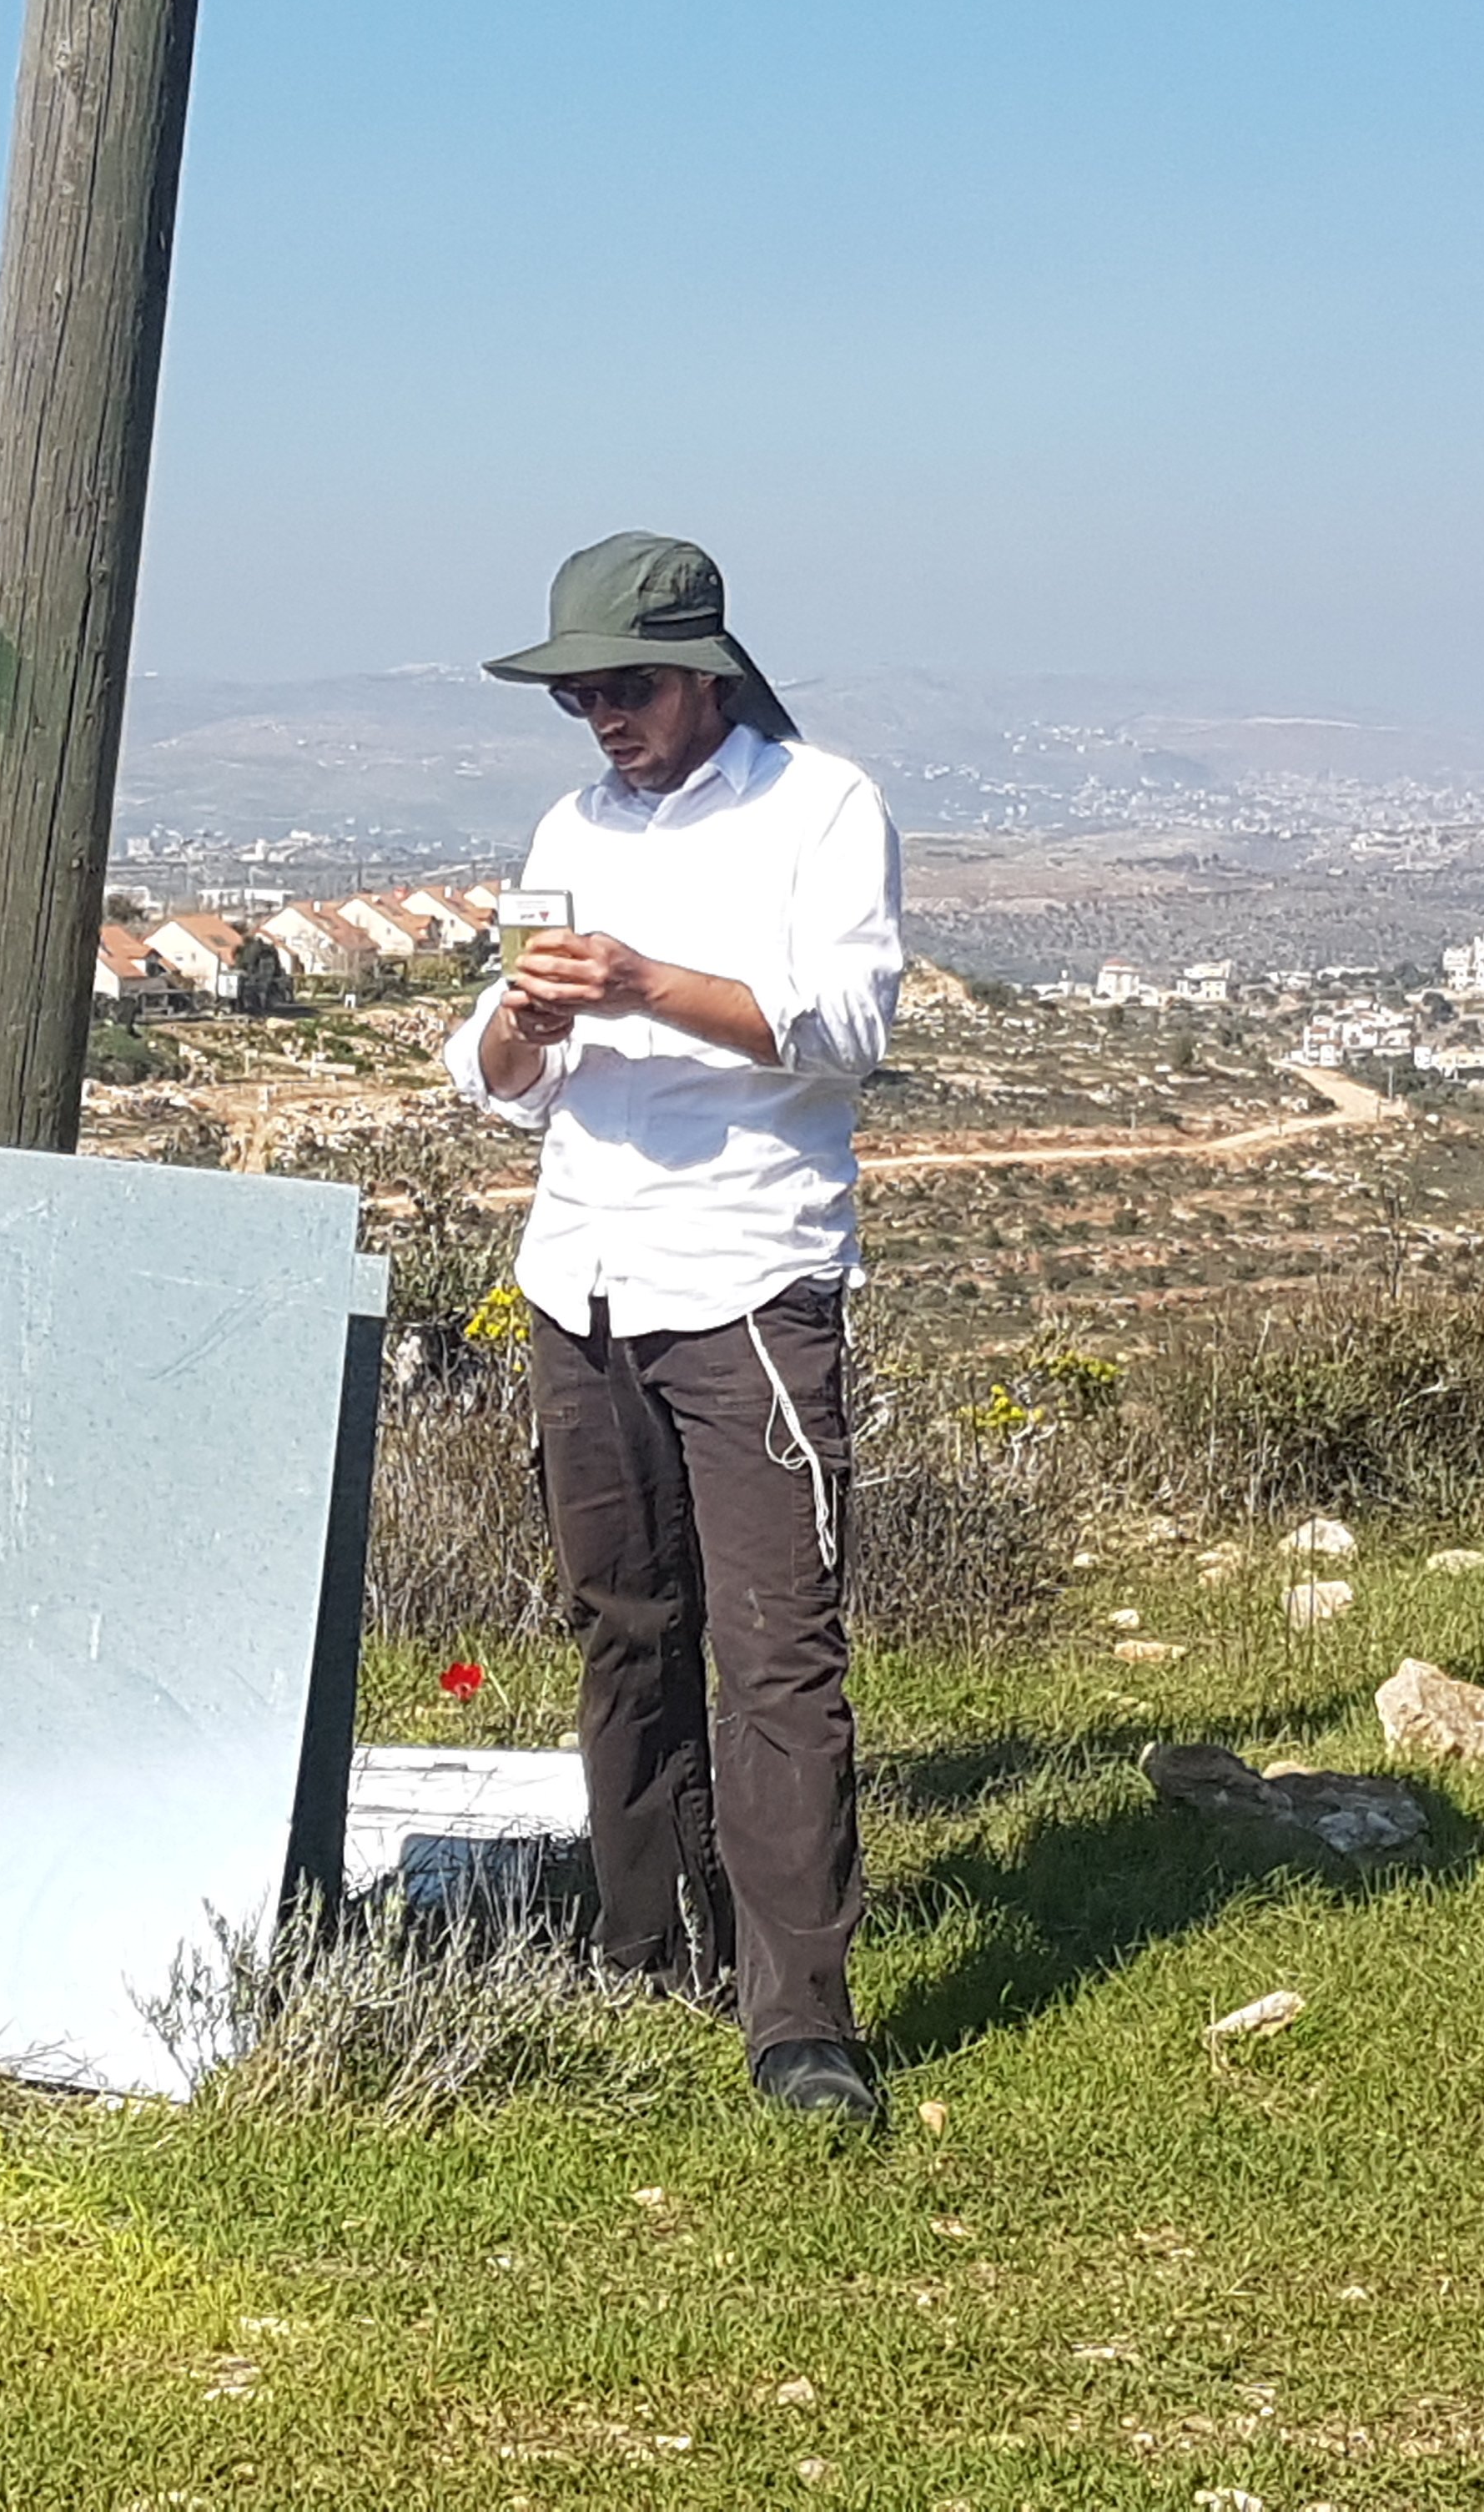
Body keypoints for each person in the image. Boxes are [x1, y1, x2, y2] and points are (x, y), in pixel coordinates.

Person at [440, 531, 904, 2121]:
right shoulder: (574, 822)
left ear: (700, 674)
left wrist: (645, 982)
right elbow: (496, 1087)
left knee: (776, 1655)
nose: (598, 720)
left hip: (746, 1283)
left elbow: (845, 1029)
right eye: (574, 695)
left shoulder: (820, 807)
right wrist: (523, 1018)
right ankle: (649, 1951)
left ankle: (803, 2027)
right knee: (621, 1626)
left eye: (621, 687)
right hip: (582, 1278)